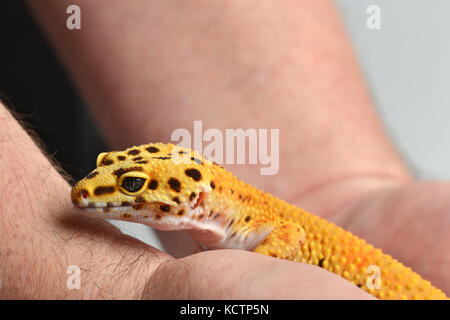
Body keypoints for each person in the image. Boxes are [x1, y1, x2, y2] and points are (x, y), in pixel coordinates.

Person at [0, 0, 448, 299]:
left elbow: (290, 238)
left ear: (194, 197)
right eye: (113, 173)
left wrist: (338, 185)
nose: (91, 190)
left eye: (131, 184)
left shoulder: (260, 225)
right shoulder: (238, 223)